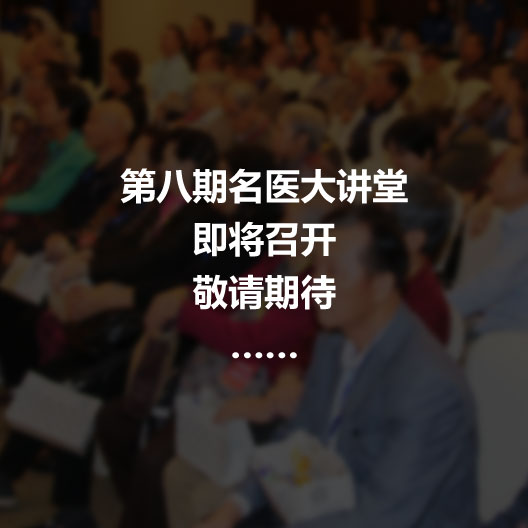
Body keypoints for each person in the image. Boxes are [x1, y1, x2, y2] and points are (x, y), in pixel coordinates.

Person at [197, 205, 477, 528]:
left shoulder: (430, 387)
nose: (316, 285)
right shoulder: (333, 341)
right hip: (318, 503)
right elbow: (297, 437)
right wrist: (233, 508)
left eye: (333, 273)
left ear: (381, 286)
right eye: (316, 269)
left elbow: (380, 517)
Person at [449, 143, 528, 336]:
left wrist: (431, 307)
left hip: (506, 339)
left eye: (504, 167)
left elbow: (485, 290)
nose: (494, 174)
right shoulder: (512, 220)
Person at [0, 81, 94, 214]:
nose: (39, 106)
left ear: (64, 113)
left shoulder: (78, 152)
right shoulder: (52, 143)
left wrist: (4, 202)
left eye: (45, 102)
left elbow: (44, 200)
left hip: (44, 218)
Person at [347, 58, 410, 165]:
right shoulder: (365, 110)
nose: (369, 83)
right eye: (370, 78)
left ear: (392, 89)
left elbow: (386, 164)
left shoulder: (398, 122)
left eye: (376, 80)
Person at [102, 49, 147, 137]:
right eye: (108, 74)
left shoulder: (136, 104)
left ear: (126, 78)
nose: (108, 79)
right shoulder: (107, 95)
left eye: (113, 75)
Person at [148, 24, 192, 109]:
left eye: (167, 38)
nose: (163, 41)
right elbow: (151, 90)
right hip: (154, 105)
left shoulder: (181, 67)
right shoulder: (159, 63)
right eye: (162, 38)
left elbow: (174, 97)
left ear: (179, 42)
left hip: (168, 109)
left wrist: (157, 107)